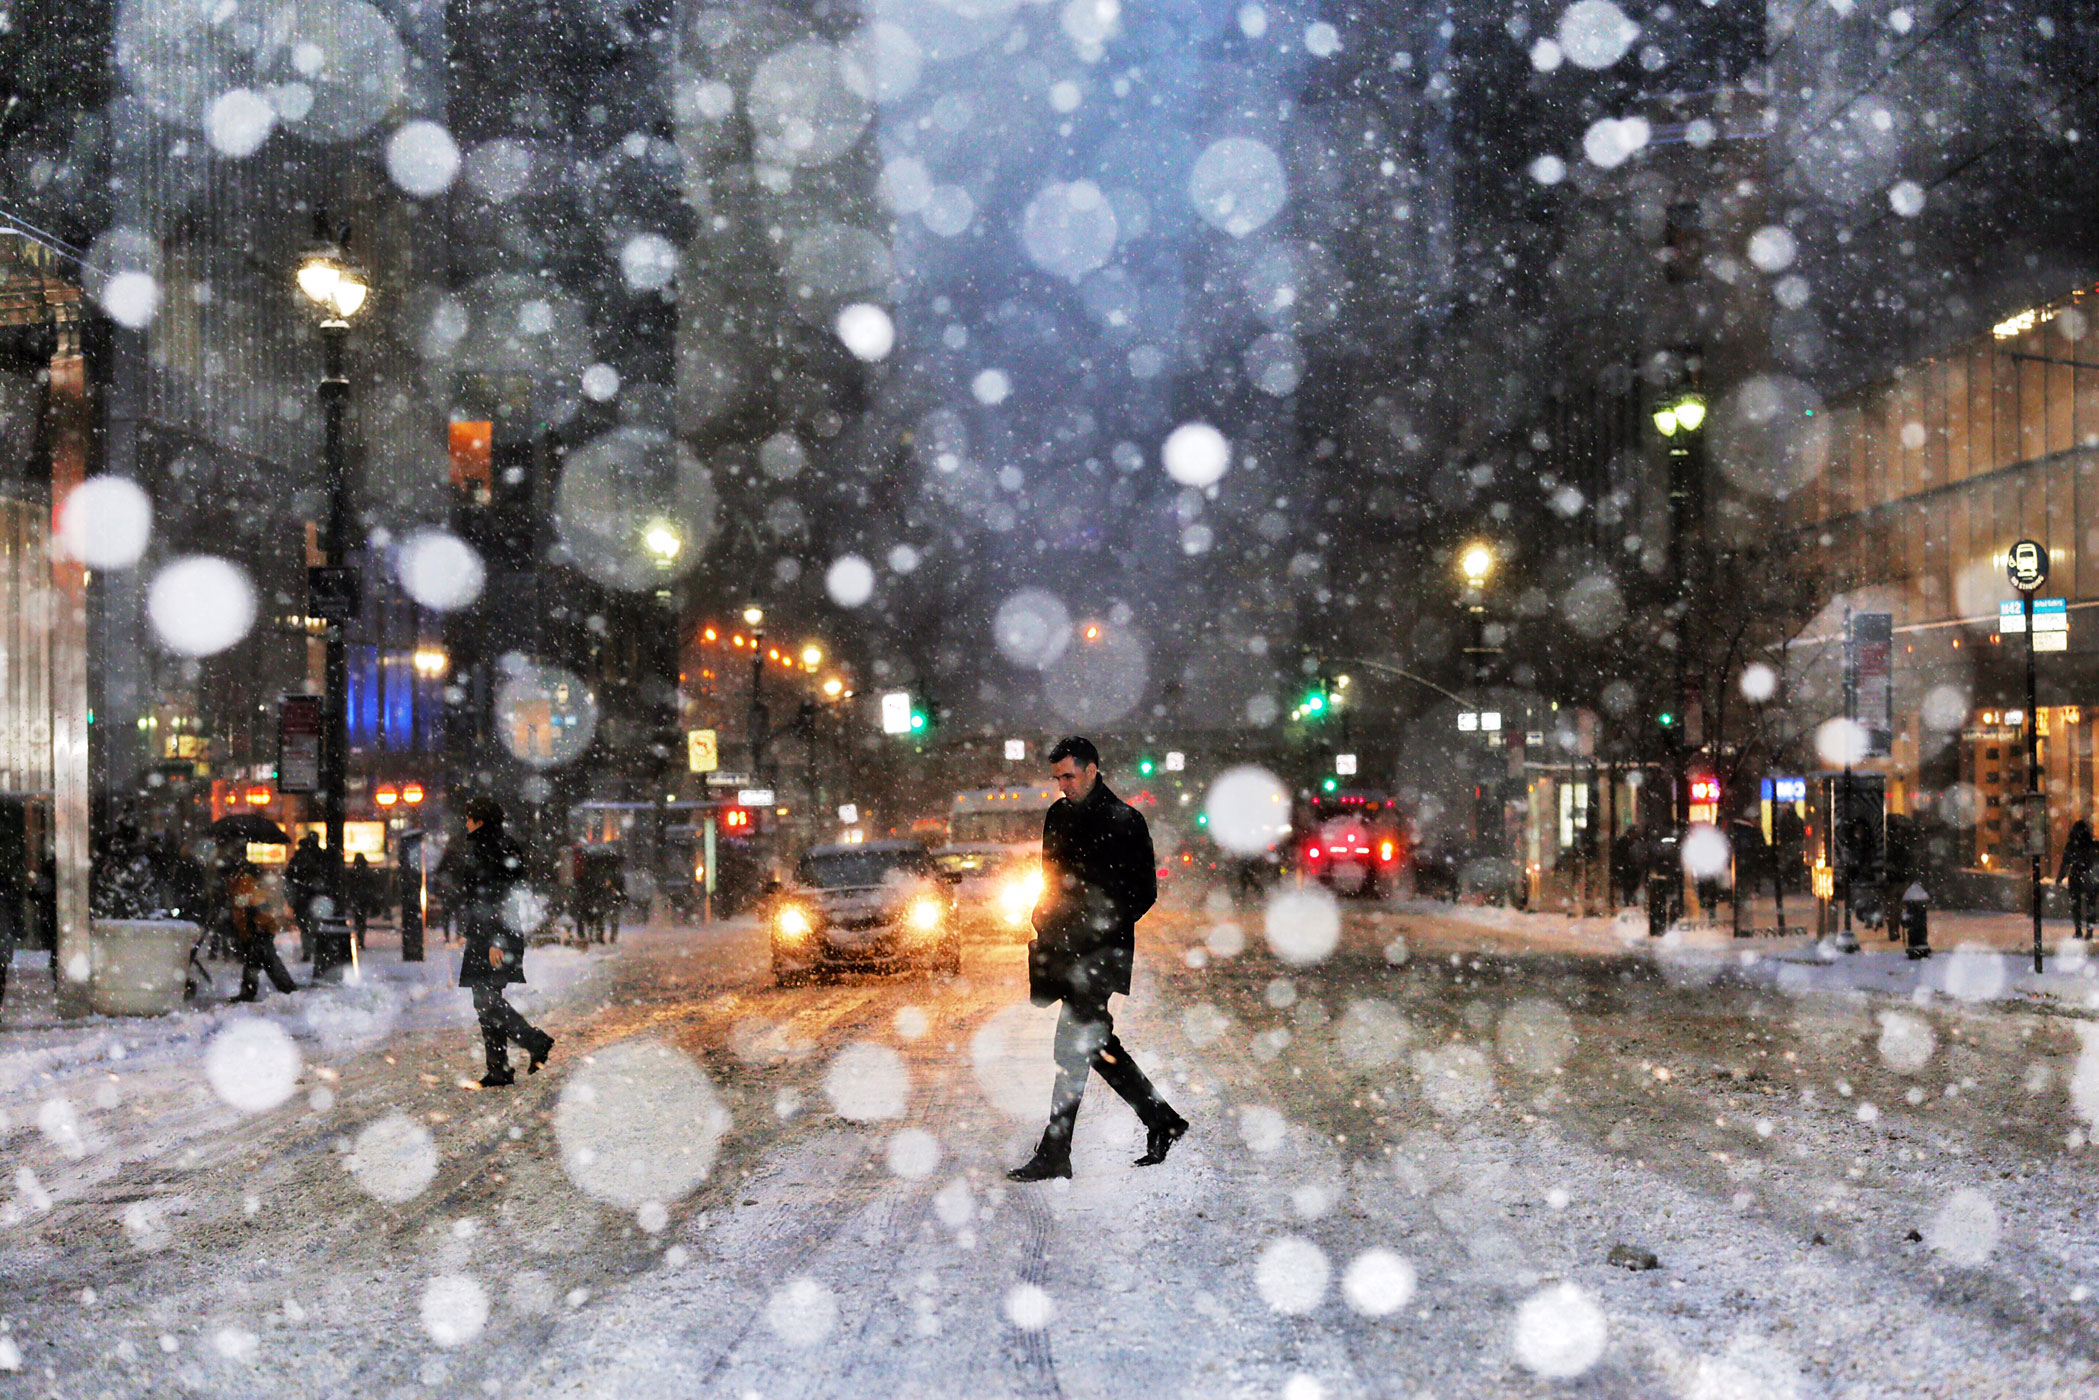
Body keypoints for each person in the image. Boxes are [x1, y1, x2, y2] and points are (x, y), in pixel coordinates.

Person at [1008, 736, 1188, 1182]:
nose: (1062, 785)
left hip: (1100, 954)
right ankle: (1162, 1120)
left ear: (1092, 770)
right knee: (1093, 1043)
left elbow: (1144, 890)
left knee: (1072, 1048)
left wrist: (1099, 929)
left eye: (1069, 775)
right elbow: (1049, 876)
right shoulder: (1057, 816)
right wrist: (1042, 918)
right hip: (1061, 948)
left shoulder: (1125, 820)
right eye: (1057, 778)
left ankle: (1056, 1151)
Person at [454, 797, 553, 1087]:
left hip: (492, 935)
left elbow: (495, 897)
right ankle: (498, 1068)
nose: (466, 822)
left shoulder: (489, 849)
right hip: (494, 933)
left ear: (480, 820)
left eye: (470, 817)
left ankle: (534, 1041)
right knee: (487, 999)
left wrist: (494, 939)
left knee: (486, 999)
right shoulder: (500, 845)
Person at [216, 838, 297, 1002]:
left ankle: (282, 989)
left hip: (257, 924)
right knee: (258, 959)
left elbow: (252, 900)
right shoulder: (241, 876)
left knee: (262, 959)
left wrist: (238, 903)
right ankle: (282, 989)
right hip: (254, 924)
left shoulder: (246, 876)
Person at [283, 832, 326, 962]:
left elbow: (289, 877)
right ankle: (315, 948)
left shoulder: (299, 857)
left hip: (302, 896)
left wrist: (292, 897)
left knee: (304, 926)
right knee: (315, 924)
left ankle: (308, 950)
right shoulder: (321, 856)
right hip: (315, 896)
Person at [2060, 818, 2096, 940]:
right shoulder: (2092, 844)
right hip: (2090, 877)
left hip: (2076, 876)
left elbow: (2065, 863)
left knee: (2076, 904)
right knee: (2090, 905)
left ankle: (2078, 929)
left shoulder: (2071, 845)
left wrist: (2060, 877)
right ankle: (2089, 931)